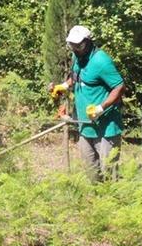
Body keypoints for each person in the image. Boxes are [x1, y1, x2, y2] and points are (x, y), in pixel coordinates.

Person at [50, 25, 125, 181]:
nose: (76, 49)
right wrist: (63, 86)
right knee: (91, 171)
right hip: (85, 126)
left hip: (106, 128)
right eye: (72, 45)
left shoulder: (101, 60)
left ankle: (112, 197)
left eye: (79, 45)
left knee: (109, 172)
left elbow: (119, 86)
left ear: (88, 41)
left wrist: (101, 108)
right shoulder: (77, 57)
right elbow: (76, 77)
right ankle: (95, 196)